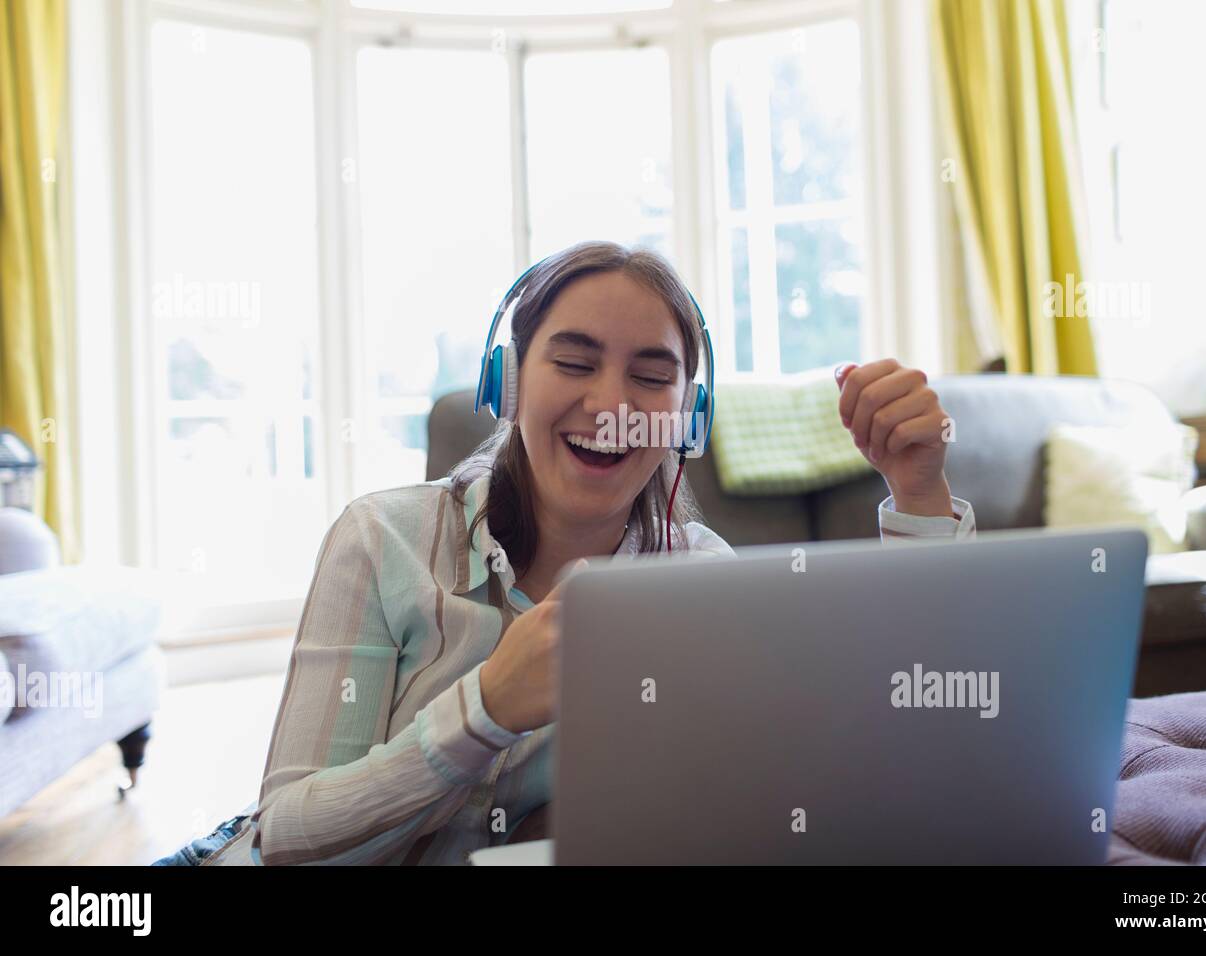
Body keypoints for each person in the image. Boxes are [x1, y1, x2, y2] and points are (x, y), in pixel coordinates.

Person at [158, 239, 975, 866]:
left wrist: (918, 492)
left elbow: (906, 733)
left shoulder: (702, 577)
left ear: (687, 419)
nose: (611, 404)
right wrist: (485, 711)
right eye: (575, 361)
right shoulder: (383, 542)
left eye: (651, 378)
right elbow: (286, 838)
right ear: (506, 381)